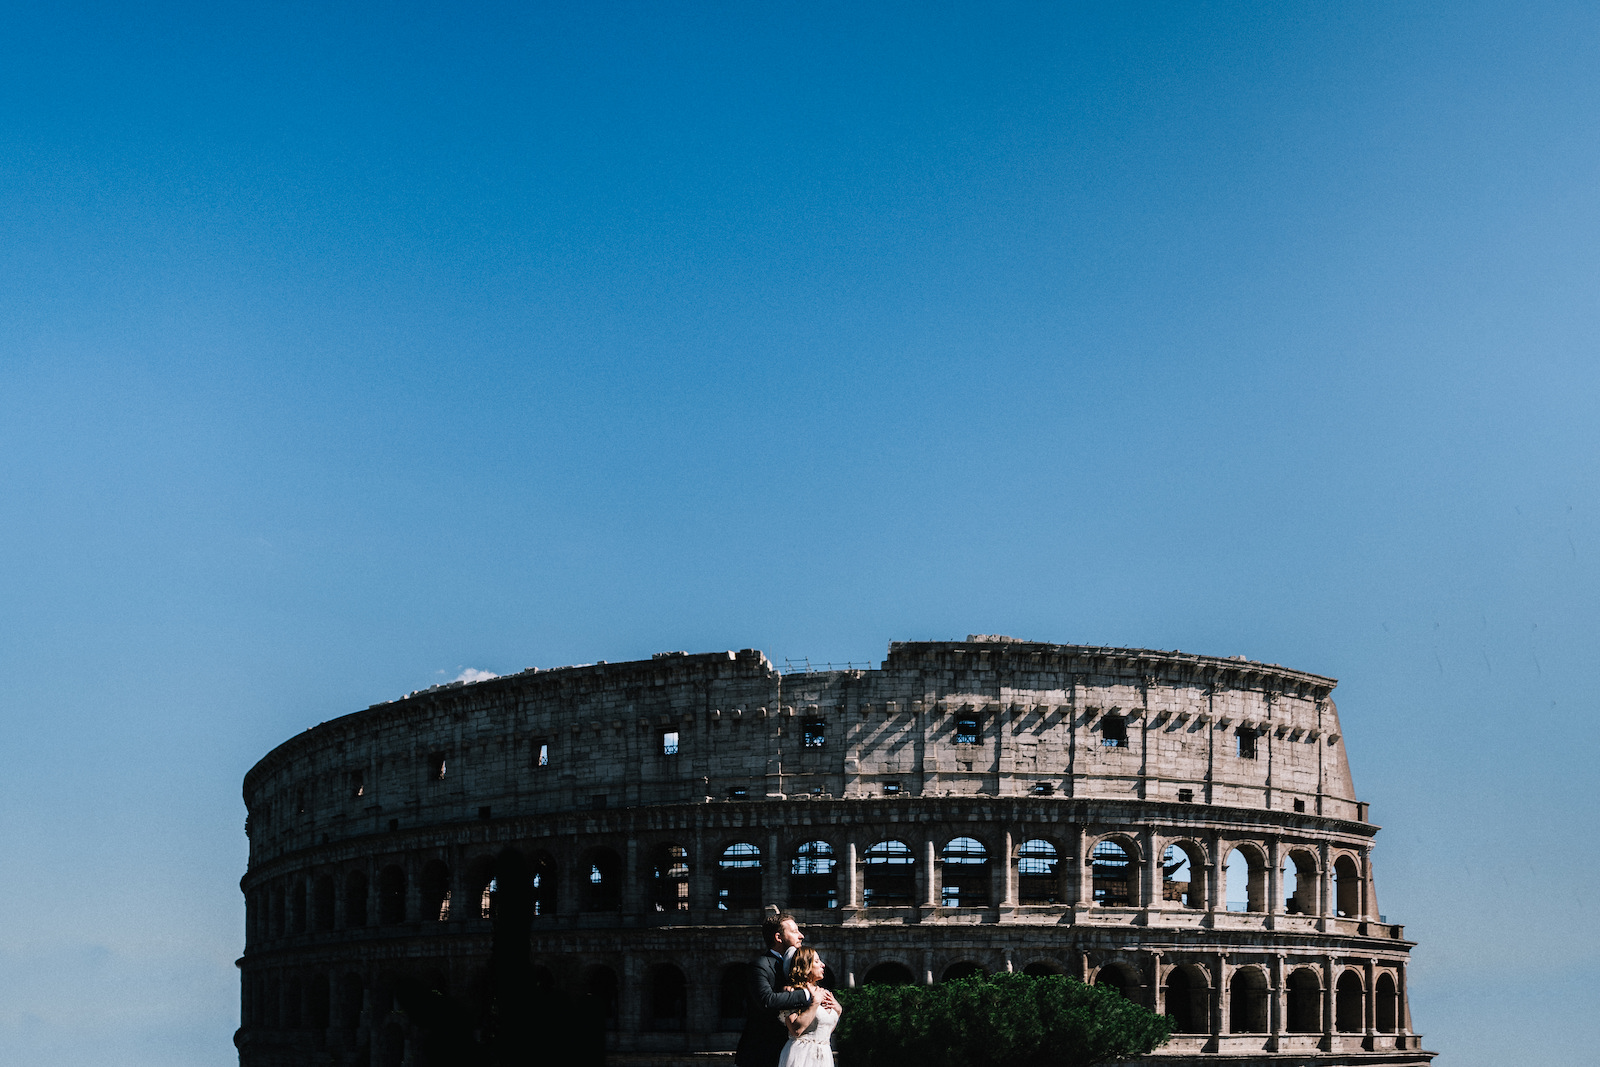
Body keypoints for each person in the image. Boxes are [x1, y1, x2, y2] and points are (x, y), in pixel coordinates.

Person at [736, 909, 839, 1067]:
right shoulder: (760, 965)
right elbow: (766, 1000)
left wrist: (836, 1008)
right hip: (762, 1053)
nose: (801, 936)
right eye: (795, 931)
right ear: (778, 937)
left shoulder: (798, 967)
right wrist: (807, 994)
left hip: (797, 1051)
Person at [776, 947, 840, 1067]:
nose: (823, 965)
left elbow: (823, 1030)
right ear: (805, 966)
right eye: (816, 961)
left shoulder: (824, 992)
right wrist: (814, 1003)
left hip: (824, 1056)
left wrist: (838, 1011)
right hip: (801, 1055)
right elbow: (795, 1029)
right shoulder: (792, 992)